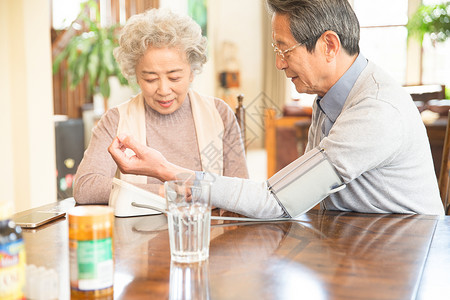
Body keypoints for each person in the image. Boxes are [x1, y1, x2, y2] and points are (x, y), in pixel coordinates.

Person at [108, 0, 444, 217]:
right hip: (358, 242)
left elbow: (277, 199)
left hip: (401, 256)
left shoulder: (375, 110)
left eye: (285, 49)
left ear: (328, 45)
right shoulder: (332, 97)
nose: (279, 63)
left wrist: (165, 170)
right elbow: (295, 193)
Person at [74, 8, 248, 204]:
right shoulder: (116, 119)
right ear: (135, 75)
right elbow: (85, 187)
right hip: (137, 233)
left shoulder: (219, 114)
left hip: (206, 231)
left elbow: (240, 191)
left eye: (174, 77)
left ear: (192, 72)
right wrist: (161, 192)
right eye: (150, 78)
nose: (164, 90)